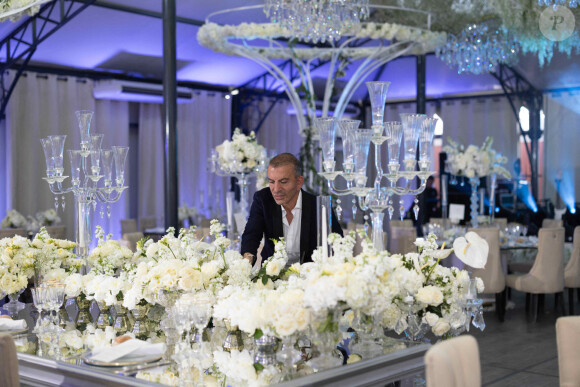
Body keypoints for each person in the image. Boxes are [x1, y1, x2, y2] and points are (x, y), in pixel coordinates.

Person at [241, 153, 343, 266]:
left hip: (309, 277)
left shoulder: (319, 206)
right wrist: (246, 264)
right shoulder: (263, 199)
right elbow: (251, 235)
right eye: (271, 181)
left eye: (283, 182)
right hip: (272, 278)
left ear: (299, 182)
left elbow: (338, 244)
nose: (276, 189)